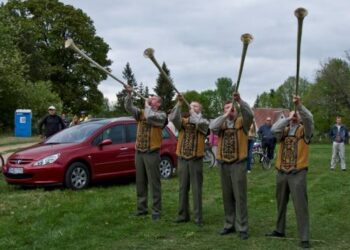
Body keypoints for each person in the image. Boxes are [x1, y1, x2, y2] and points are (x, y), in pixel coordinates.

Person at [266, 96, 314, 249]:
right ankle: (279, 230)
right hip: (281, 172)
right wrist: (287, 118)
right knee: (280, 203)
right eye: (293, 114)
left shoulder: (305, 131)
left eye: (297, 115)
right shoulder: (284, 131)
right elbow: (274, 129)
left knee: (300, 205)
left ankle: (304, 237)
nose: (295, 117)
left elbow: (309, 118)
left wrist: (299, 106)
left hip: (297, 173)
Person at [209, 92, 253, 240]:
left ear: (236, 110)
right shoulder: (220, 124)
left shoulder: (242, 122)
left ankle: (242, 227)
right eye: (226, 108)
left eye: (232, 108)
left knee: (239, 196)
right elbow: (212, 127)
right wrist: (225, 114)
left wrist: (239, 101)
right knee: (227, 196)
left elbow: (249, 114)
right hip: (223, 165)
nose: (230, 111)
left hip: (238, 164)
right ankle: (229, 224)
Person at [124, 86, 167, 220]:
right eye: (150, 98)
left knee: (154, 182)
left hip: (152, 152)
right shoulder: (141, 112)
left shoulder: (161, 116)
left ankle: (156, 210)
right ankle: (141, 208)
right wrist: (129, 95)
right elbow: (129, 108)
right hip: (139, 152)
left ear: (158, 104)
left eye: (153, 99)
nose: (150, 99)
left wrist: (146, 105)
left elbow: (149, 117)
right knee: (140, 181)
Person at [169, 95, 209, 227]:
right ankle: (183, 215)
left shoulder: (204, 122)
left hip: (195, 160)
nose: (192, 107)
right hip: (182, 159)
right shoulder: (184, 121)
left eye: (195, 106)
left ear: (200, 109)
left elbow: (200, 124)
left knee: (196, 189)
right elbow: (173, 118)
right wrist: (179, 104)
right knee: (182, 188)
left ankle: (198, 218)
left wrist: (193, 115)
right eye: (191, 106)